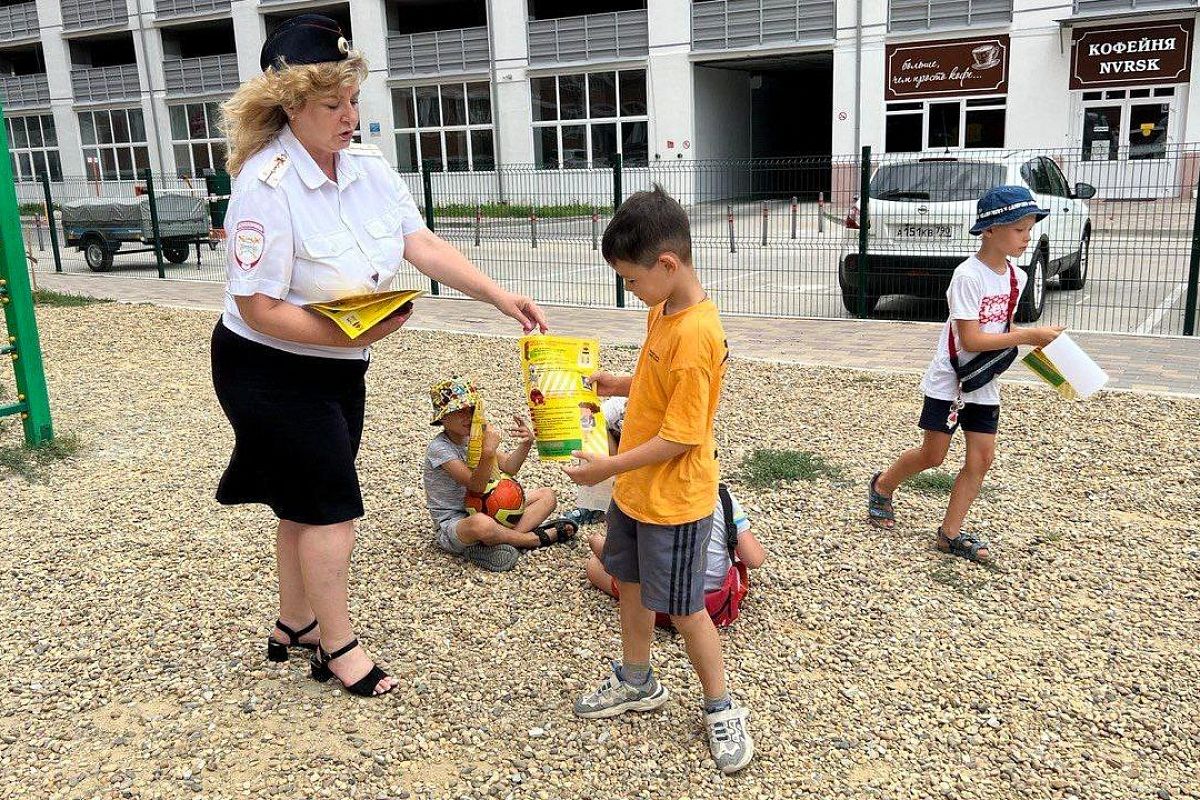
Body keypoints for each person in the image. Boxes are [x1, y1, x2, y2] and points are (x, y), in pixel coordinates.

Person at [211, 14, 546, 698]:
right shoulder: (264, 185)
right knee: (334, 506)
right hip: (267, 369)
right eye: (332, 105)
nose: (349, 116)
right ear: (290, 106)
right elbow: (257, 306)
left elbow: (418, 244)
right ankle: (338, 647)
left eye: (353, 100)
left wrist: (497, 296)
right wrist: (349, 339)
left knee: (300, 502)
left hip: (338, 363)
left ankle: (296, 623)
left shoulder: (365, 167)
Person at [564, 186, 754, 774]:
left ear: (667, 265)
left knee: (687, 607)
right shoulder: (663, 310)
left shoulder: (698, 337)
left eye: (630, 278)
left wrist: (604, 469)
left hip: (675, 499)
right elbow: (655, 385)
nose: (628, 288)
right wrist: (617, 384)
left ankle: (721, 708)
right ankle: (639, 680)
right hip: (636, 494)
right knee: (629, 585)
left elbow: (681, 438)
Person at [867, 185, 1064, 563]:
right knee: (933, 455)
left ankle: (950, 533)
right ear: (989, 230)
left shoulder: (1017, 278)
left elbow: (1000, 329)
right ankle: (883, 484)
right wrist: (1028, 335)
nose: (1027, 237)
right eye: (1019, 230)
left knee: (982, 458)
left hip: (983, 381)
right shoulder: (967, 276)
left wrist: (1042, 343)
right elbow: (971, 337)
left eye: (1029, 229)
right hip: (950, 379)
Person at [424, 377, 577, 572]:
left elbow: (510, 467)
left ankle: (494, 542)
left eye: (471, 410)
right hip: (457, 522)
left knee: (547, 496)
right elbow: (475, 486)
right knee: (482, 524)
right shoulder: (440, 449)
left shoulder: (474, 437)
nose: (467, 416)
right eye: (459, 411)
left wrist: (526, 443)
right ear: (443, 418)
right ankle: (531, 539)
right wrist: (487, 452)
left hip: (488, 507)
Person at [585, 482, 765, 628]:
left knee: (595, 564)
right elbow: (755, 559)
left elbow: (625, 560)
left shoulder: (642, 496)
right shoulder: (722, 496)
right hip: (718, 602)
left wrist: (595, 542)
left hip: (655, 607)